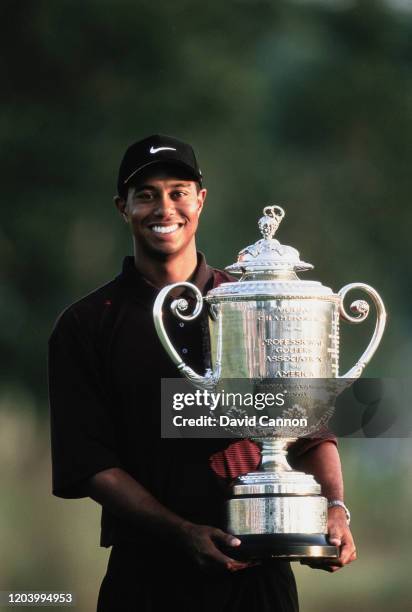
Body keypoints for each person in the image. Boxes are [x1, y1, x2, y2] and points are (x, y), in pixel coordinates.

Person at [48, 134, 356, 612]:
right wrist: (183, 533)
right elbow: (91, 465)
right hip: (146, 578)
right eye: (146, 194)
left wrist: (334, 509)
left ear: (201, 201)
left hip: (259, 576)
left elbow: (310, 428)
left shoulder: (256, 302)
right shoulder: (86, 324)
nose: (164, 207)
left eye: (178, 191)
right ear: (122, 207)